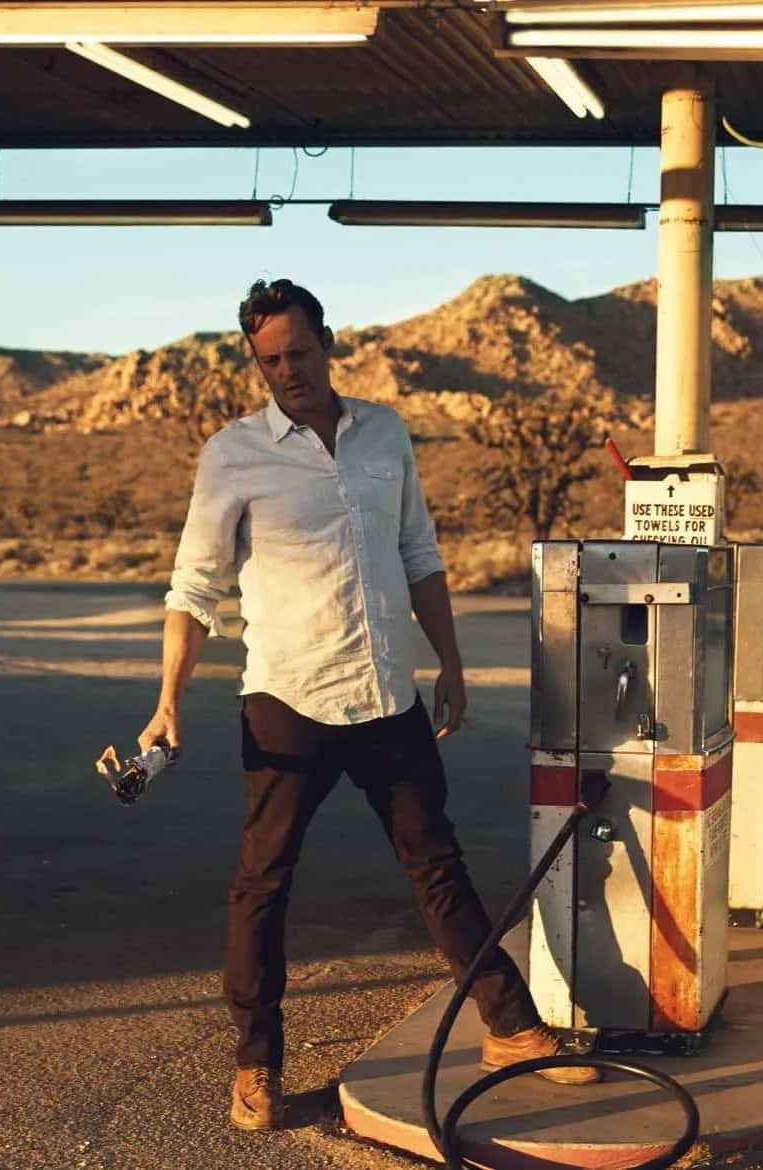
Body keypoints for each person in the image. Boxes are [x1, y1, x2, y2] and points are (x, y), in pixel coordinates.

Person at [138, 278, 597, 1134]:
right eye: (270, 360)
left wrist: (450, 660)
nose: (287, 373)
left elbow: (418, 550)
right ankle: (256, 1068)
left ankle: (511, 1029)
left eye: (299, 355)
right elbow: (192, 589)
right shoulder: (232, 454)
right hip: (287, 698)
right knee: (262, 885)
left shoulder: (384, 432)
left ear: (329, 344)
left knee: (437, 864)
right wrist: (167, 702)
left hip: (386, 692)